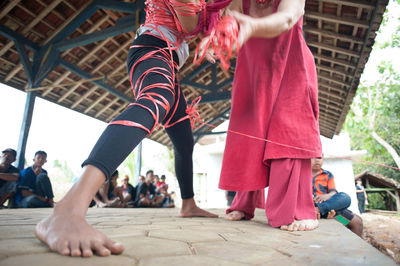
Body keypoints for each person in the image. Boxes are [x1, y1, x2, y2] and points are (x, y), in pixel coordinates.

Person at [35, 0, 224, 257]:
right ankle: (69, 208)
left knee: (184, 139)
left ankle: (188, 204)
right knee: (156, 100)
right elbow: (190, 23)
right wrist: (210, 27)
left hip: (170, 63)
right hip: (151, 50)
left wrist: (215, 26)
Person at [215, 0, 322, 231]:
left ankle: (297, 208)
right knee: (248, 132)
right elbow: (230, 26)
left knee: (287, 133)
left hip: (291, 67)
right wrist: (220, 40)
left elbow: (286, 18)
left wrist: (252, 26)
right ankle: (244, 203)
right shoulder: (236, 1)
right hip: (253, 72)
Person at [311, 157, 363, 237]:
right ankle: (315, 211)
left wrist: (327, 195)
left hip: (329, 210)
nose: (317, 160)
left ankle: (318, 210)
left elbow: (333, 192)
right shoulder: (301, 174)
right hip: (309, 208)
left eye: (320, 157)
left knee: (356, 220)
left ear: (323, 160)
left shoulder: (328, 174)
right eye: (314, 157)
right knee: (354, 220)